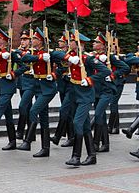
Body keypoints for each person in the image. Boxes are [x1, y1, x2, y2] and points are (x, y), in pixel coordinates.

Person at [13, 28, 63, 157]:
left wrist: (53, 74)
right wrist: (40, 57)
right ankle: (45, 149)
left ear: (40, 41)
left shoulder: (51, 53)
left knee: (34, 111)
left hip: (47, 88)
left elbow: (64, 65)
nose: (32, 41)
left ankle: (27, 140)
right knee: (41, 115)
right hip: (36, 85)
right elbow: (25, 58)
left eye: (34, 39)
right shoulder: (31, 53)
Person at [62, 33, 109, 166]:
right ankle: (92, 156)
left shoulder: (87, 58)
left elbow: (105, 71)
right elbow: (56, 55)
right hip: (74, 95)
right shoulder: (72, 57)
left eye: (71, 41)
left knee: (77, 123)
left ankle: (76, 156)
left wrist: (89, 80)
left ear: (78, 44)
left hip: (85, 96)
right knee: (86, 126)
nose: (68, 43)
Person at [91, 32, 129, 153]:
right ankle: (103, 144)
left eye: (96, 42)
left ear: (103, 45)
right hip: (96, 89)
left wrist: (113, 75)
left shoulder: (110, 56)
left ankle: (96, 142)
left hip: (106, 90)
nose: (93, 43)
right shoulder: (93, 56)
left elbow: (125, 68)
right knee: (100, 116)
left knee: (98, 114)